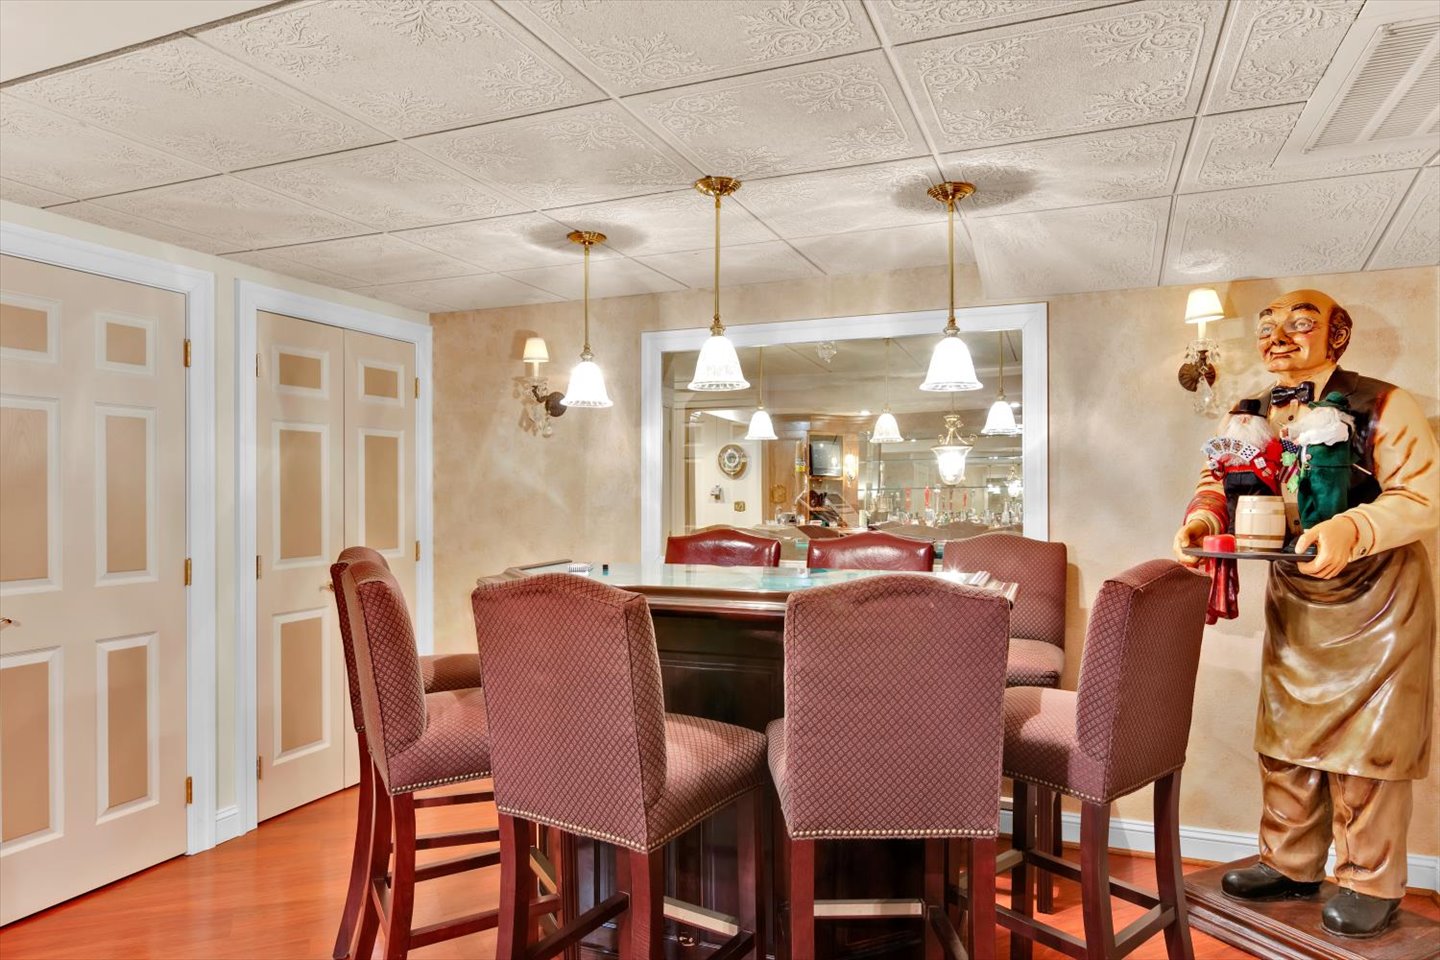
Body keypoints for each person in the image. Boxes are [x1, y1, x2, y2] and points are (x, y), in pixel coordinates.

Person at [1172, 289, 1437, 938]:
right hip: (1296, 600)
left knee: (1366, 755)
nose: (1279, 337)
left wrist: (1351, 531)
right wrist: (1203, 521)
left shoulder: (1385, 404)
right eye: (1268, 328)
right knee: (1284, 742)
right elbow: (1219, 482)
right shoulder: (1251, 411)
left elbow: (1421, 499)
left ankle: (1369, 880)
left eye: (1299, 323)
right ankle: (1289, 862)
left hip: (1379, 606)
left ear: (1336, 338)